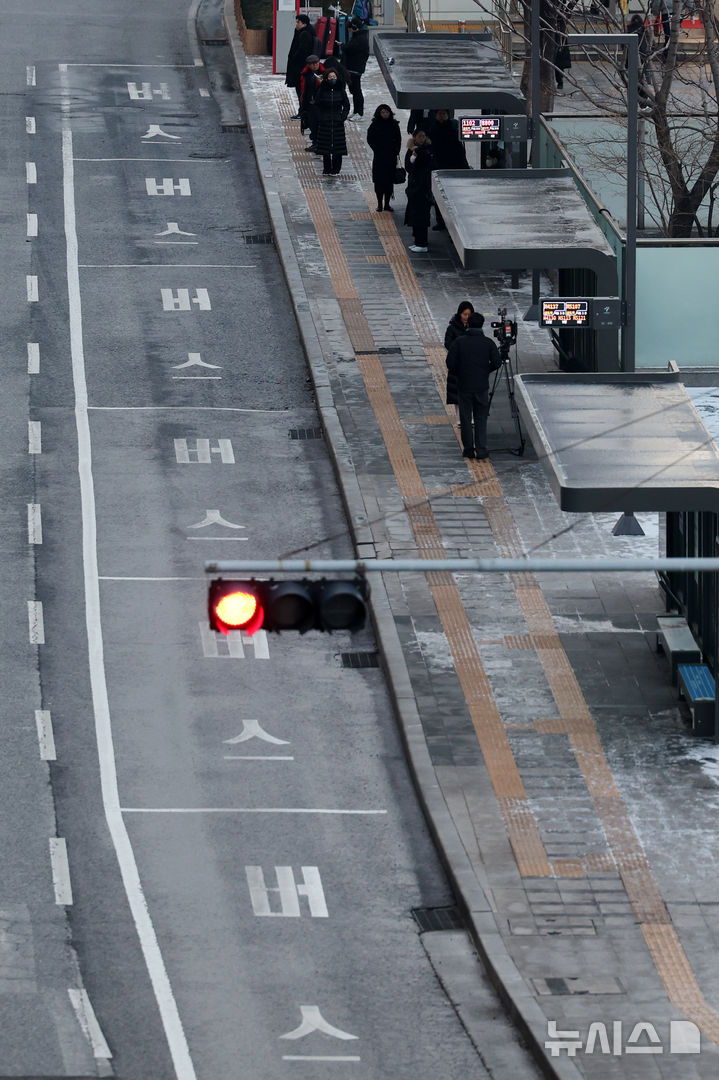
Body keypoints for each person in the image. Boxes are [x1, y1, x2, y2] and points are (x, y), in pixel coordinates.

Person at [446, 312, 501, 460]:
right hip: (481, 386)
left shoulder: (459, 342)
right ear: (482, 325)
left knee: (465, 418)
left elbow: (450, 363)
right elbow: (497, 363)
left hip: (464, 386)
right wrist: (484, 371)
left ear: (468, 324)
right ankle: (482, 450)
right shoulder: (488, 343)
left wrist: (460, 372)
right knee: (481, 418)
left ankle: (468, 450)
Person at [428, 110, 468, 230]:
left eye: (444, 114)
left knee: (452, 197)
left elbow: (460, 150)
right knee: (439, 196)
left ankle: (451, 224)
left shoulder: (453, 127)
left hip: (453, 166)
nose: (442, 116)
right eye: (439, 114)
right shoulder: (432, 129)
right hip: (439, 166)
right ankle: (441, 222)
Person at [366, 103, 401, 212]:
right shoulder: (375, 124)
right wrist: (376, 148)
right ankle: (379, 203)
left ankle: (387, 204)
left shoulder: (394, 124)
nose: (385, 114)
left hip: (390, 157)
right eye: (383, 112)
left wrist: (396, 150)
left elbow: (398, 139)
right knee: (379, 181)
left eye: (386, 112)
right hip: (379, 157)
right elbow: (370, 138)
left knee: (389, 181)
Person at [315, 69, 350, 175]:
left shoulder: (340, 89)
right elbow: (317, 104)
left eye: (334, 77)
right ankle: (326, 168)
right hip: (325, 122)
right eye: (330, 77)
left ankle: (336, 169)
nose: (332, 79)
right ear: (326, 78)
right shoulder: (322, 89)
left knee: (338, 147)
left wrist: (342, 117)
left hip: (337, 122)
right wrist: (321, 117)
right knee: (325, 148)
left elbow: (346, 105)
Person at [403, 130, 434, 253]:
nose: (422, 138)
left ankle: (421, 243)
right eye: (420, 136)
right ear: (414, 137)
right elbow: (409, 167)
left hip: (423, 187)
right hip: (414, 187)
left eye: (423, 136)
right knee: (415, 214)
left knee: (421, 215)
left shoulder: (427, 150)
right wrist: (413, 158)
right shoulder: (411, 150)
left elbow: (428, 165)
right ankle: (417, 240)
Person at [444, 301, 474, 422]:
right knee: (456, 391)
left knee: (470, 390)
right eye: (464, 314)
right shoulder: (452, 328)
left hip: (470, 364)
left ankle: (470, 417)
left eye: (469, 315)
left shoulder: (473, 327)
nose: (466, 317)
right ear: (460, 314)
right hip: (457, 364)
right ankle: (459, 418)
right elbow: (447, 343)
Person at [286, 14, 315, 115]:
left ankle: (302, 112)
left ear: (304, 24)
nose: (296, 24)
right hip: (301, 67)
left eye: (298, 22)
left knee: (301, 90)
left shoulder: (304, 34)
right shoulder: (303, 32)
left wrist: (293, 58)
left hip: (300, 68)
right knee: (302, 90)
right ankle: (302, 111)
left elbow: (302, 51)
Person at [343, 18, 370, 120]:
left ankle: (359, 112)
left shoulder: (360, 39)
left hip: (356, 68)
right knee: (354, 90)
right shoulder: (357, 36)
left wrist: (343, 46)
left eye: (350, 28)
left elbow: (349, 48)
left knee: (356, 90)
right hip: (353, 67)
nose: (349, 30)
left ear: (355, 28)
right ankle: (356, 111)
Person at [298, 55, 324, 152]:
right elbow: (303, 90)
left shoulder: (325, 72)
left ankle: (318, 143)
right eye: (312, 64)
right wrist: (302, 106)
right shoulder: (306, 74)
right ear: (308, 65)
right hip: (310, 103)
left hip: (321, 103)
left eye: (316, 63)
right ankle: (315, 143)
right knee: (312, 124)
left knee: (319, 124)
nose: (315, 66)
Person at [554, 14, 571, 91]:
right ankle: (559, 80)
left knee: (559, 63)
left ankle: (560, 80)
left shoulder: (561, 20)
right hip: (557, 40)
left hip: (559, 41)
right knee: (558, 64)